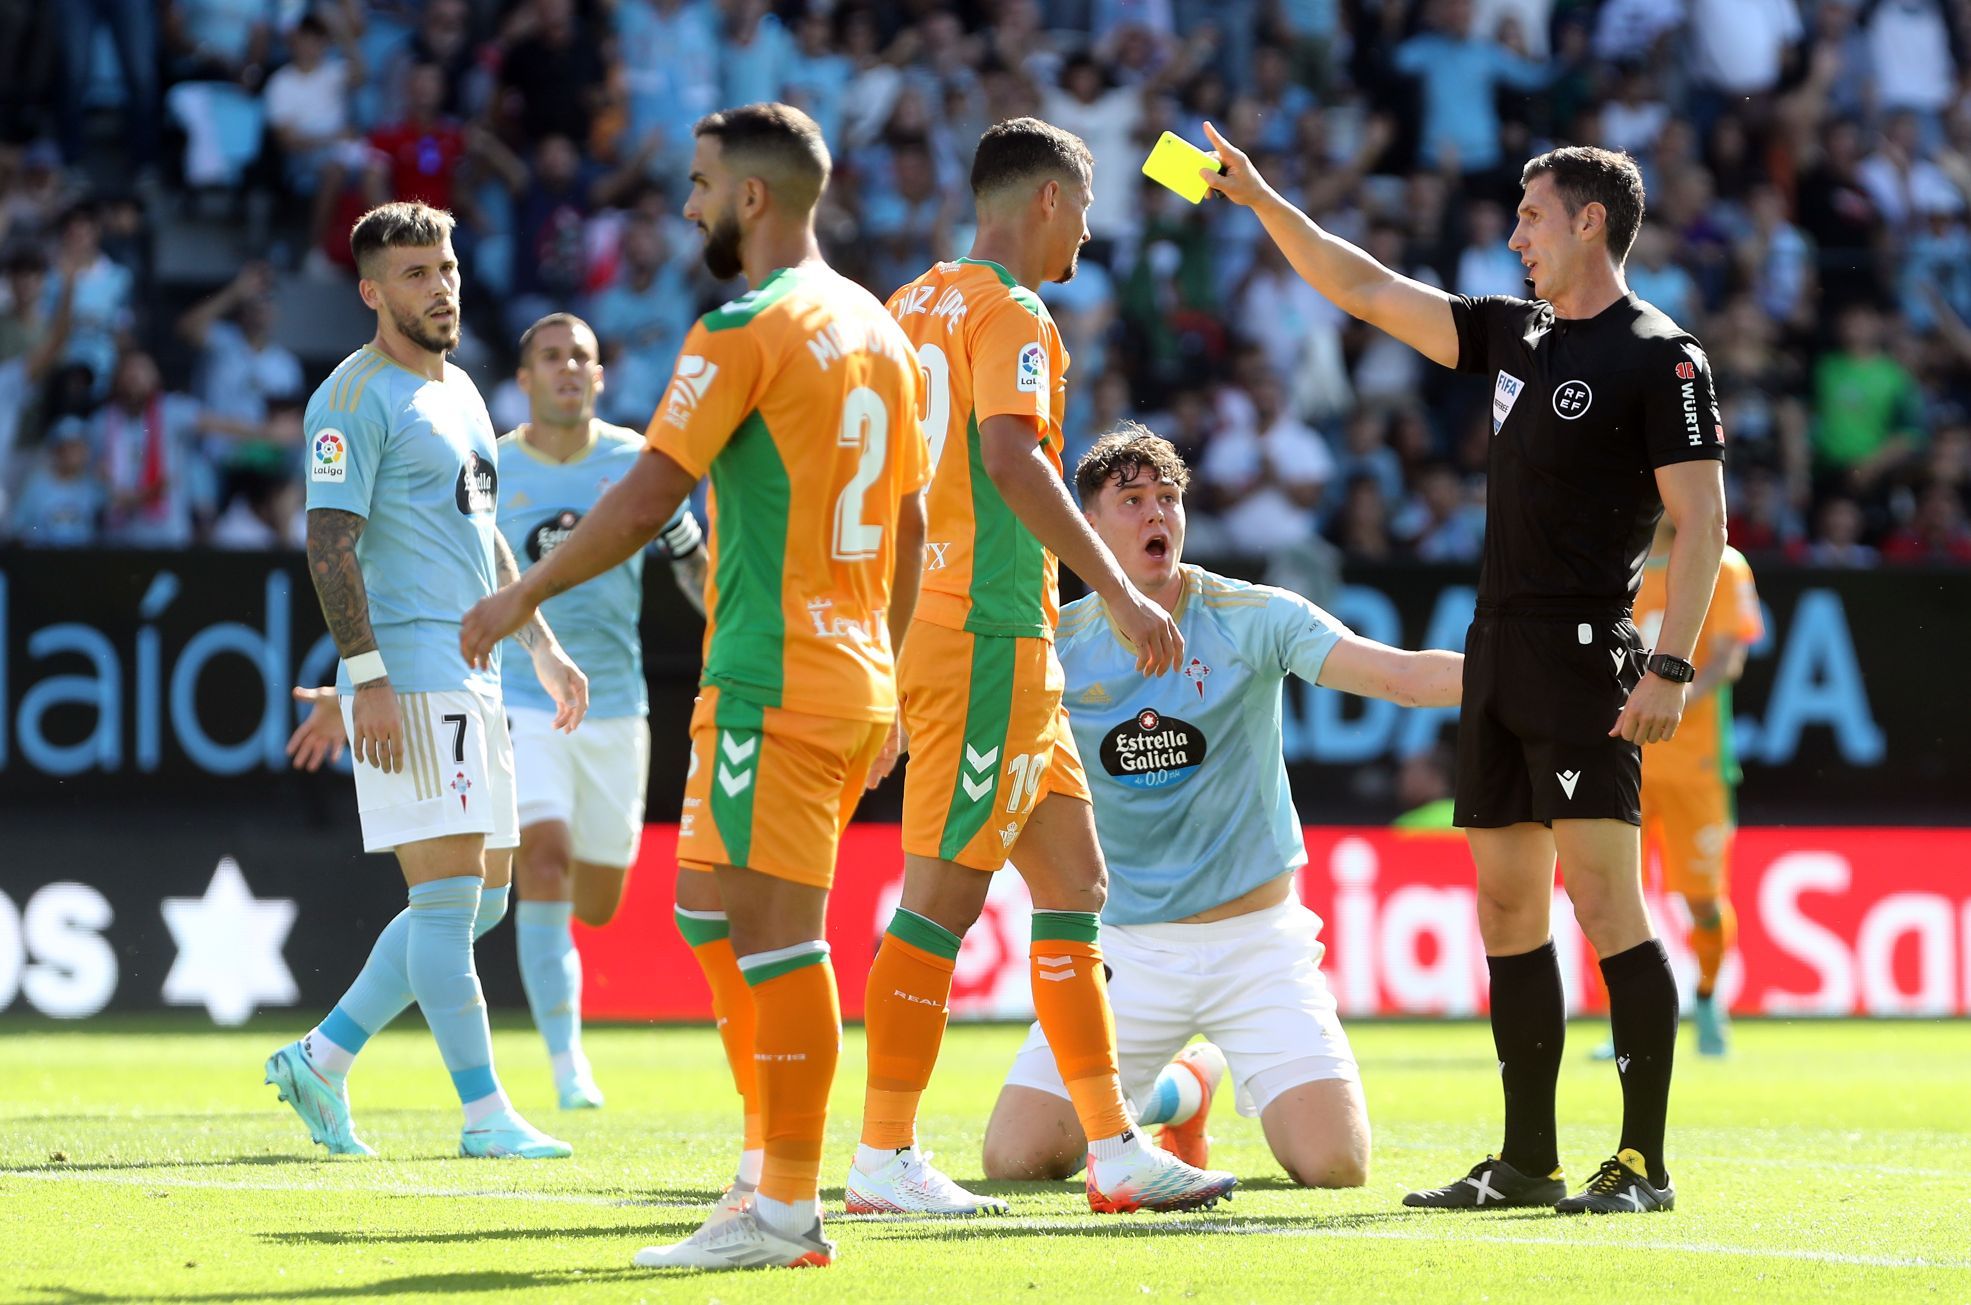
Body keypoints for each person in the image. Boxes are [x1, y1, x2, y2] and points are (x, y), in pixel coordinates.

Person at [1202, 126, 1728, 1215]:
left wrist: (1670, 664)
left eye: (1533, 215)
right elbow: (1365, 287)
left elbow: (1703, 520)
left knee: (1604, 902)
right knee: (1504, 911)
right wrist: (1261, 201)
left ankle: (1642, 1162)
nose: (1515, 235)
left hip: (1589, 654)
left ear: (1590, 222)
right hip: (1498, 650)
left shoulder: (1660, 355)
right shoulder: (1517, 334)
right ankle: (1527, 1160)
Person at [459, 103, 928, 1273]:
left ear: (753, 199)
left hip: (777, 672)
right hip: (843, 666)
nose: (687, 204)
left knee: (774, 936)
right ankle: (768, 1171)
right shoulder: (877, 324)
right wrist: (895, 669)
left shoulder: (744, 324)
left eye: (701, 182)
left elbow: (645, 495)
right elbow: (915, 521)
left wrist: (523, 597)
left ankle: (784, 1207)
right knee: (704, 909)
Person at [847, 117, 1235, 1220]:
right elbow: (1011, 456)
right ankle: (882, 1154)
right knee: (941, 899)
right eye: (1089, 201)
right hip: (985, 631)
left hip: (967, 630)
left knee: (1075, 884)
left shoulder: (908, 303)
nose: (1093, 227)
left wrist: (885, 651)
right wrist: (1113, 591)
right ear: (1050, 202)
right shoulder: (1013, 309)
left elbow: (884, 490)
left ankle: (1114, 1146)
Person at [980, 425, 1463, 1188]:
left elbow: (1399, 675)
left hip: (1256, 943)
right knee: (1016, 1160)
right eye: (1131, 501)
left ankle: (1189, 1078)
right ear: (1087, 524)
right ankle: (1183, 1086)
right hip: (1126, 949)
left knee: (1334, 1165)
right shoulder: (1056, 646)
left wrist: (1529, 675)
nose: (1154, 517)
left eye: (1167, 500)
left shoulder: (1251, 615)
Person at [264, 201, 589, 1165]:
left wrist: (540, 643)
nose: (438, 286)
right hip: (410, 673)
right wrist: (363, 678)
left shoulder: (463, 393)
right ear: (370, 291)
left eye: (443, 267)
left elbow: (480, 536)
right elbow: (330, 543)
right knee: (449, 901)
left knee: (482, 902)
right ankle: (484, 1111)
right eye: (413, 274)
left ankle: (323, 1056)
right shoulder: (352, 399)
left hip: (477, 675)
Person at [496, 312, 706, 1108]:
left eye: (580, 356)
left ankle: (565, 1037)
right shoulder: (494, 465)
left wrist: (727, 622)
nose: (567, 369)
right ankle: (565, 1065)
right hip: (524, 695)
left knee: (599, 899)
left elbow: (690, 558)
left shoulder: (633, 462)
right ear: (524, 379)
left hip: (618, 706)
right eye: (550, 357)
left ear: (599, 375)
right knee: (540, 858)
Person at [1632, 519, 1762, 1057]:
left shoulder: (1724, 565)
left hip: (1697, 765)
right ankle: (1630, 1021)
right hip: (1627, 761)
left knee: (1702, 900)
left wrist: (1672, 698)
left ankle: (1708, 996)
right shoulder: (1623, 571)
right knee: (1615, 899)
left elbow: (1729, 659)